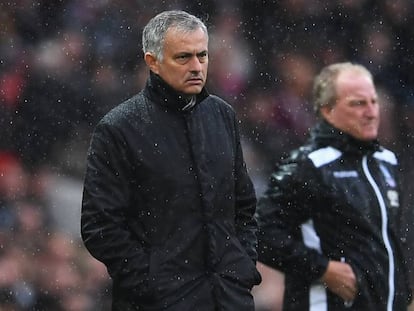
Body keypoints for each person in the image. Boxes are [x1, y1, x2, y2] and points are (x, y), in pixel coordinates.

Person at [81, 10, 261, 311]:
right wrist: (153, 282)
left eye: (202, 56)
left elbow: (243, 206)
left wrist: (240, 266)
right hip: (158, 303)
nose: (196, 67)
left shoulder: (222, 116)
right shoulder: (118, 128)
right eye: (183, 57)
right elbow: (100, 226)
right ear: (152, 62)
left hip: (228, 298)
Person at [255, 62, 412, 310]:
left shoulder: (386, 162)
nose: (371, 112)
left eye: (374, 102)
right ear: (327, 110)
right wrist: (323, 269)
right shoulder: (308, 166)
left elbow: (394, 242)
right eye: (358, 103)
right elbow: (260, 233)